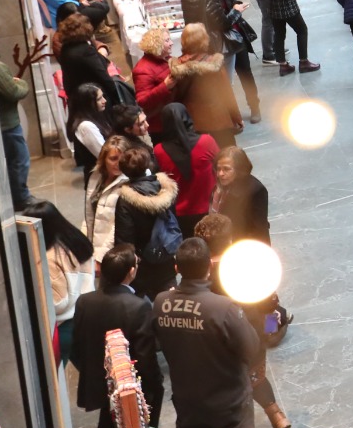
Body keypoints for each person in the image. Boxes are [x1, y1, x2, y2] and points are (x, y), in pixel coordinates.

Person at [155, 238, 263, 428]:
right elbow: (251, 347)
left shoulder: (161, 303)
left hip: (189, 402)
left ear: (176, 268)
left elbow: (158, 342)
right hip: (230, 403)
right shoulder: (223, 308)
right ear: (209, 267)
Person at [192, 214, 291, 428]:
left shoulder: (198, 275)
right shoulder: (245, 264)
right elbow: (270, 304)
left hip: (217, 341)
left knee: (221, 387)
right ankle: (278, 417)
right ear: (229, 240)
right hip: (251, 334)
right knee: (255, 377)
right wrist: (268, 330)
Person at [73, 245, 163, 428]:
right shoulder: (139, 306)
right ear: (130, 272)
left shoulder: (85, 302)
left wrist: (97, 373)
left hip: (103, 388)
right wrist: (153, 389)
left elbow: (76, 348)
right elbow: (145, 358)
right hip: (133, 392)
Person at [181, 0, 261, 122]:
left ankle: (247, 110)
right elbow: (223, 23)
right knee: (234, 77)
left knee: (239, 75)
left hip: (226, 39)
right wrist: (236, 11)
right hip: (224, 41)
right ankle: (239, 115)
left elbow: (228, 3)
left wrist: (234, 6)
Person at [108, 146, 180, 298]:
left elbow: (124, 240)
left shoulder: (126, 200)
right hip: (166, 259)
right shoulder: (166, 190)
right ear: (147, 165)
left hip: (142, 268)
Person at [27, 200, 93, 362]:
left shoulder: (50, 258)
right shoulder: (74, 238)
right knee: (90, 368)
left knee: (56, 379)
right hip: (86, 311)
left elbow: (59, 302)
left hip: (66, 326)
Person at [171, 24, 244, 150]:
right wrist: (236, 117)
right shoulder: (213, 63)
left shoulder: (176, 66)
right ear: (204, 40)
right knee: (228, 154)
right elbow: (226, 93)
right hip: (219, 118)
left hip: (192, 121)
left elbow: (174, 96)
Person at [155, 103, 220, 239]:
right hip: (209, 209)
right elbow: (219, 167)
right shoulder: (206, 142)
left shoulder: (159, 151)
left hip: (178, 216)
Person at [0, 24, 34, 210]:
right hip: (6, 123)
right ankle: (21, 198)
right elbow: (13, 92)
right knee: (18, 161)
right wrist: (22, 83)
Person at [210, 145, 271, 246]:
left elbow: (259, 230)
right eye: (218, 169)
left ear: (239, 170)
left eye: (226, 169)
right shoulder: (218, 189)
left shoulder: (255, 191)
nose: (220, 174)